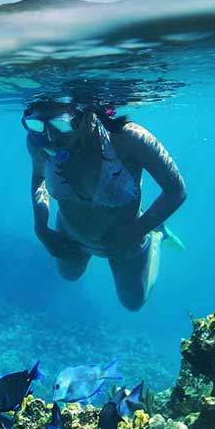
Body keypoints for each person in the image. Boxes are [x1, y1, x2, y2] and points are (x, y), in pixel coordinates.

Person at [24, 98, 186, 311]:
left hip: (126, 237)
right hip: (72, 234)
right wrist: (41, 229)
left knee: (133, 301)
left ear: (87, 115)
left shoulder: (127, 138)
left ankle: (156, 235)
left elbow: (176, 191)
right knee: (69, 275)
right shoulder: (38, 142)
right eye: (36, 124)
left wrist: (135, 232)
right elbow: (39, 179)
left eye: (61, 124)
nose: (50, 136)